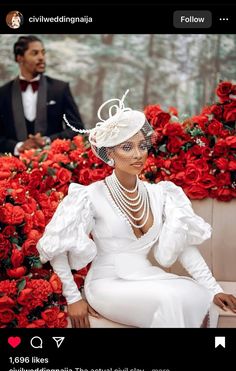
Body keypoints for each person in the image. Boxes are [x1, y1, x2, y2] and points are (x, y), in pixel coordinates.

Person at [36, 91, 236, 328]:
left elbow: (184, 248)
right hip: (105, 283)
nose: (138, 154)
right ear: (110, 153)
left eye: (142, 146)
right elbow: (57, 246)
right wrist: (73, 297)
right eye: (127, 147)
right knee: (170, 299)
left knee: (195, 295)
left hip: (148, 276)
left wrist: (213, 288)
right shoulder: (90, 196)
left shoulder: (161, 194)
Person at [0, 35, 84, 155]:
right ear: (19, 58)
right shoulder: (3, 93)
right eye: (35, 53)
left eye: (43, 53)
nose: (41, 58)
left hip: (54, 165)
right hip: (12, 168)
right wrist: (18, 146)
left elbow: (77, 128)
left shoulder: (60, 89)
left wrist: (48, 141)